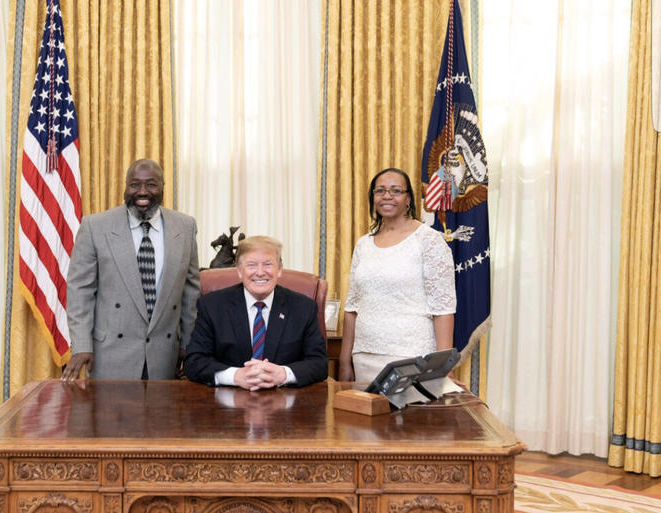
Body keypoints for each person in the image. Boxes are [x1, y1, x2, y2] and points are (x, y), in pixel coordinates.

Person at [61, 158, 200, 381]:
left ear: (163, 187)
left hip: (165, 356)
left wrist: (188, 345)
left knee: (161, 416)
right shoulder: (95, 226)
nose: (142, 192)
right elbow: (80, 291)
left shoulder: (185, 226)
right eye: (135, 184)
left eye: (151, 184)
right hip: (110, 355)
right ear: (125, 187)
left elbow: (190, 293)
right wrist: (81, 345)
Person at [339, 168, 456, 383]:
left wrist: (444, 368)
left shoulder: (428, 240)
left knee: (412, 418)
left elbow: (443, 309)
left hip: (411, 358)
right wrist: (345, 361)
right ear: (373, 197)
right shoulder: (363, 244)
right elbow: (352, 308)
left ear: (408, 199)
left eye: (395, 190)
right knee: (364, 417)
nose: (387, 196)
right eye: (380, 190)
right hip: (364, 357)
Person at [184, 236, 328, 390]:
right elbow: (194, 361)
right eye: (251, 265)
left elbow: (319, 363)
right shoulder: (212, 306)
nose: (260, 273)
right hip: (227, 402)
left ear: (279, 270)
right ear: (239, 271)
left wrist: (283, 374)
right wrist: (235, 376)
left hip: (285, 402)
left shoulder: (303, 308)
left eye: (268, 264)